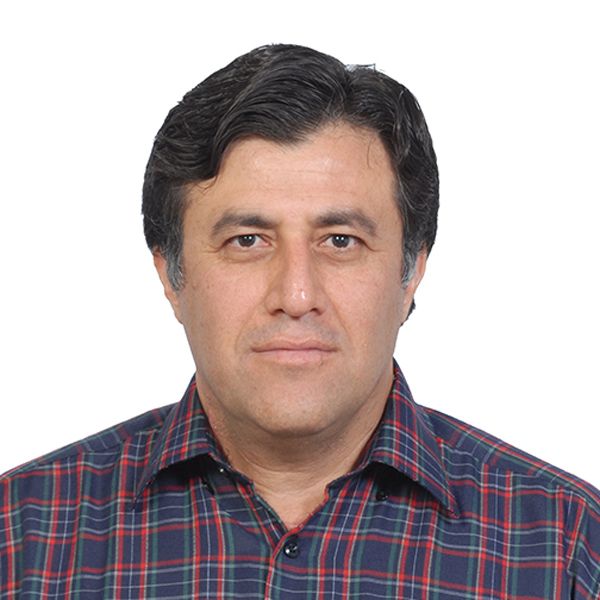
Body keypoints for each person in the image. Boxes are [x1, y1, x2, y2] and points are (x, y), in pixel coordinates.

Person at [1, 44, 599, 599]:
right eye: (247, 240)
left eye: (340, 240)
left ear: (411, 270)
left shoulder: (566, 546)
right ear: (171, 274)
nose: (296, 295)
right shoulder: (20, 537)